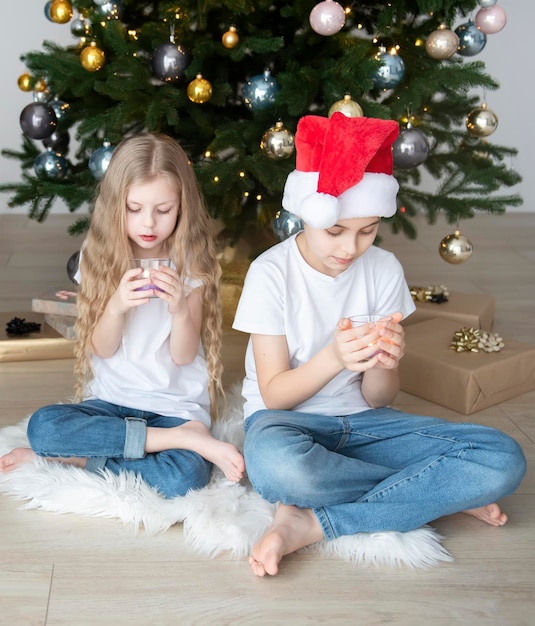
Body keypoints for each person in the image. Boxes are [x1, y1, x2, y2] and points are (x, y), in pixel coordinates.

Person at [232, 113, 527, 577]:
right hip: (287, 425)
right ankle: (432, 495)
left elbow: (380, 397)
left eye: (366, 230)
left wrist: (386, 362)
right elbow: (275, 395)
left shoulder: (384, 269)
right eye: (335, 231)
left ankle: (312, 521)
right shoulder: (271, 273)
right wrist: (334, 356)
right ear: (308, 214)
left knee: (503, 459)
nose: (350, 248)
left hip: (369, 425)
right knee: (281, 471)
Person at [0, 132, 244, 497]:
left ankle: (79, 460)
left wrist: (178, 308)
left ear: (182, 206)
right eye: (135, 209)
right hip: (112, 403)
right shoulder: (99, 255)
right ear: (117, 205)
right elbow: (102, 347)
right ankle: (175, 440)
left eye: (164, 211)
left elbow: (183, 355)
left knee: (185, 475)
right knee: (44, 427)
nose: (149, 224)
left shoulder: (191, 260)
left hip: (171, 405)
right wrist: (115, 305)